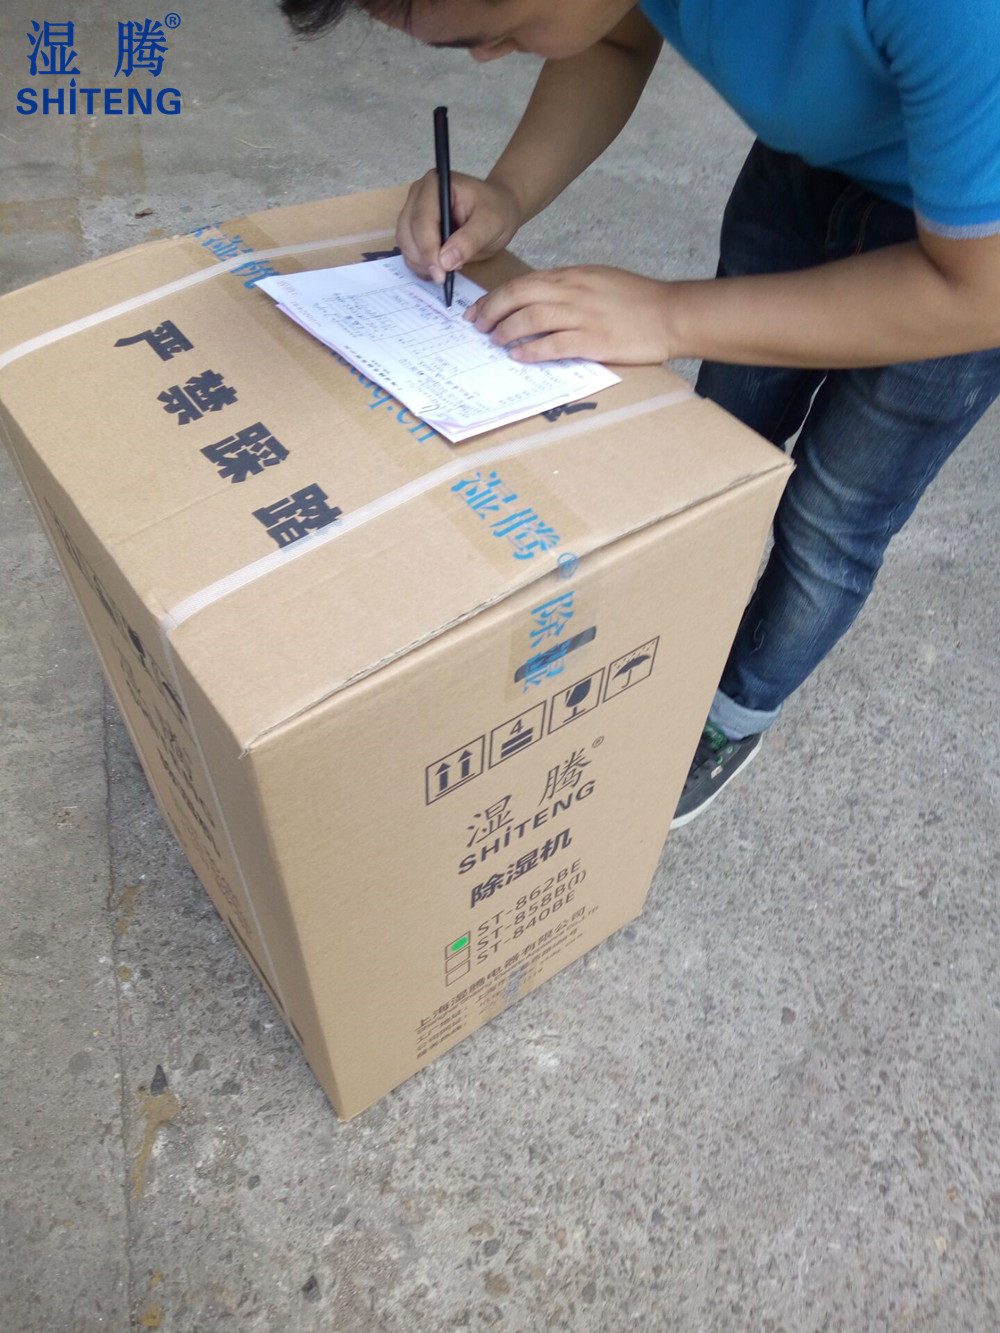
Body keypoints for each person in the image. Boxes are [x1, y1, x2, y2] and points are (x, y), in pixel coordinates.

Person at [281, 0, 1000, 825]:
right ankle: (673, 648)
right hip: (804, 170)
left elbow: (977, 291)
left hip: (968, 254)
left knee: (832, 517)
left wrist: (669, 315)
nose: (489, 58)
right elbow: (617, 32)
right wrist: (510, 191)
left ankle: (734, 710)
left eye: (496, 31)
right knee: (724, 439)